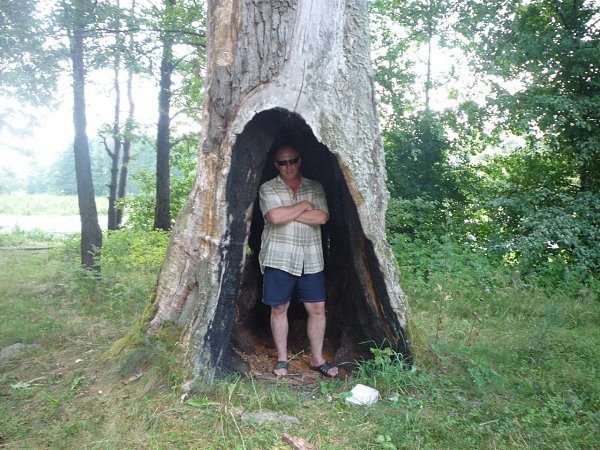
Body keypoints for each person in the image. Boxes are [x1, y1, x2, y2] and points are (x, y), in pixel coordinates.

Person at [258, 144, 339, 378]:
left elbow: (322, 217)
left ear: (299, 161)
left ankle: (317, 359)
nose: (288, 166)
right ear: (276, 165)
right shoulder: (267, 188)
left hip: (310, 257)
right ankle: (282, 359)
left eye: (292, 160)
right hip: (279, 256)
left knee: (317, 308)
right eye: (283, 162)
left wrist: (288, 213)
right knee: (279, 307)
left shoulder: (314, 187)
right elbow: (274, 217)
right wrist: (304, 206)